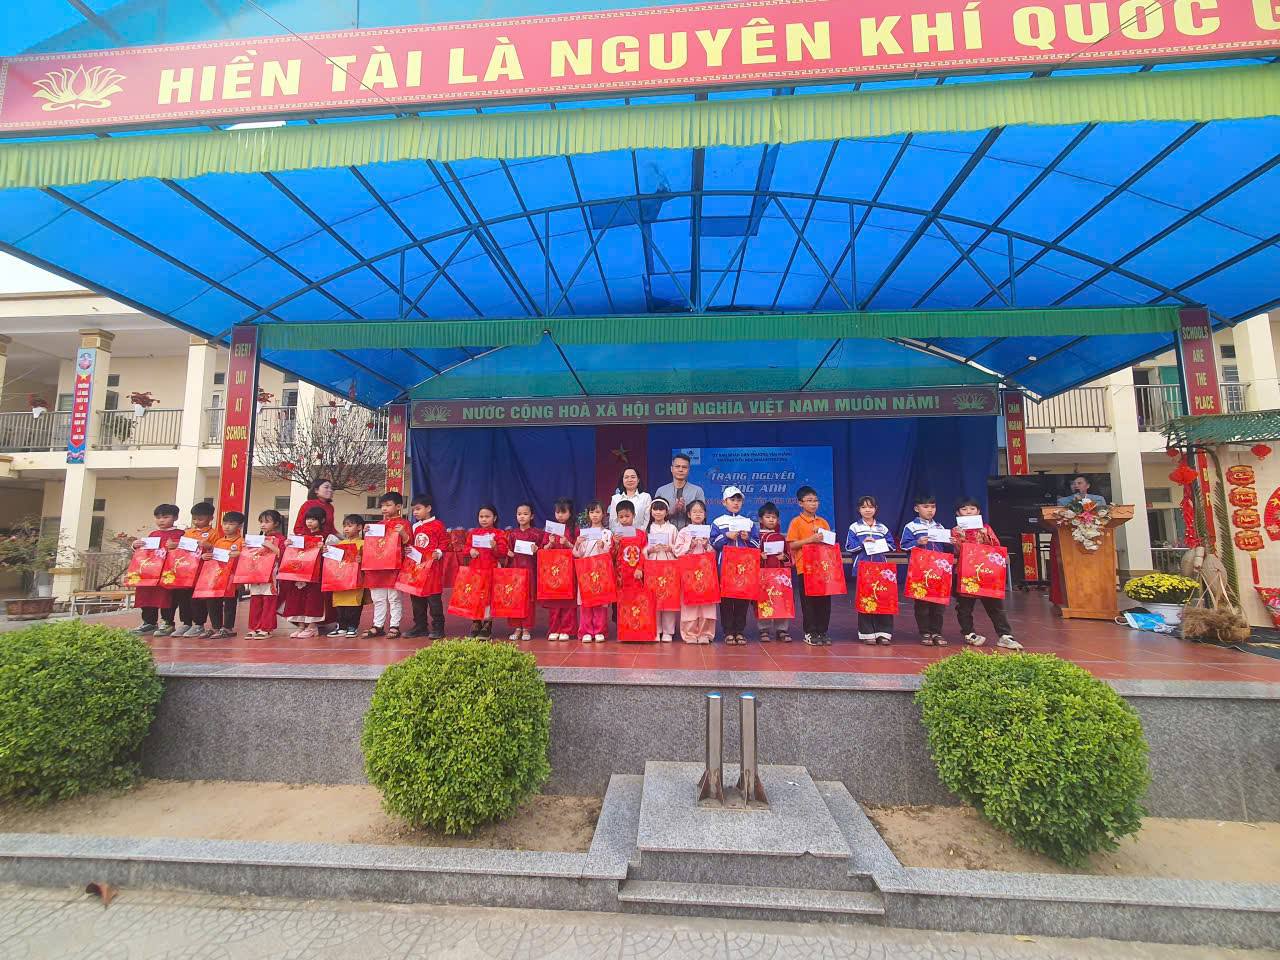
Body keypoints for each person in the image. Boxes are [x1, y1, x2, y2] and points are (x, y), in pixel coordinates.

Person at [952, 497, 1022, 650]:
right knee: (964, 606)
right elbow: (957, 551)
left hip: (986, 573)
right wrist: (960, 539)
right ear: (958, 513)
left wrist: (986, 536)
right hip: (966, 574)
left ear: (978, 511)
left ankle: (1005, 635)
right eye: (964, 509)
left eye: (972, 509)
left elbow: (996, 547)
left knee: (995, 605)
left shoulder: (985, 528)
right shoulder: (956, 530)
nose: (968, 512)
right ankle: (969, 633)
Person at [712, 485, 760, 645]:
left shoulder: (748, 522)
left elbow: (757, 544)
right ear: (724, 502)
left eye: (739, 500)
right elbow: (714, 543)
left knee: (742, 598)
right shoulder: (718, 522)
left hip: (744, 568)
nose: (736, 503)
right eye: (732, 499)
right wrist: (726, 536)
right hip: (725, 567)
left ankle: (739, 631)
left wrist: (747, 538)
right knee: (726, 599)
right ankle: (728, 631)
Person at [900, 494, 950, 647]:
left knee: (938, 604)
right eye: (926, 506)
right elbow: (903, 545)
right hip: (921, 570)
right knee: (922, 604)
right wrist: (917, 542)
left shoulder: (939, 527)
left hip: (938, 570)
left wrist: (952, 540)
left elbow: (946, 547)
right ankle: (925, 632)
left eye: (933, 507)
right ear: (917, 509)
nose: (930, 510)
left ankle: (937, 632)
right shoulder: (911, 526)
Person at [846, 496, 896, 645]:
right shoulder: (854, 527)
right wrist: (863, 543)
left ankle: (884, 633)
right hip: (863, 568)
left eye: (870, 507)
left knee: (883, 598)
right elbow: (849, 547)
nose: (867, 510)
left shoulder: (882, 528)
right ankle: (867, 633)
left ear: (876, 509)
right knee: (866, 599)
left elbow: (892, 546)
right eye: (864, 507)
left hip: (881, 569)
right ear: (859, 509)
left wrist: (879, 543)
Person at [786, 486, 833, 646]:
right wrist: (811, 539)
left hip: (823, 568)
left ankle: (822, 631)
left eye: (816, 500)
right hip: (805, 567)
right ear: (800, 503)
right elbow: (792, 545)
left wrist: (824, 537)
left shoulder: (823, 522)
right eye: (809, 500)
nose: (813, 504)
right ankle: (810, 632)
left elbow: (830, 543)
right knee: (809, 602)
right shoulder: (796, 522)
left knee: (824, 601)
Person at [363, 491, 410, 639]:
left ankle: (394, 626)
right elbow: (372, 545)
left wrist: (402, 533)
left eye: (388, 505)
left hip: (394, 567)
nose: (384, 508)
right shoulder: (378, 525)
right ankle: (378, 626)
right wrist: (366, 533)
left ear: (399, 507)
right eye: (382, 505)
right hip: (377, 567)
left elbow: (408, 543)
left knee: (394, 598)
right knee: (378, 598)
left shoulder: (404, 524)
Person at [131, 503, 182, 636]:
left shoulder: (180, 534)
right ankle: (149, 622)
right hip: (151, 572)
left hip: (168, 573)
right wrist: (135, 545)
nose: (161, 521)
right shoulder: (153, 534)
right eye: (158, 518)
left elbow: (187, 552)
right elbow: (145, 552)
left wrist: (177, 545)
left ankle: (168, 622)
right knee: (147, 594)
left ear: (175, 518)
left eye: (165, 517)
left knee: (167, 597)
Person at [672, 500, 716, 644]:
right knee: (689, 603)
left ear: (705, 514)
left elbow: (716, 551)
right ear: (689, 514)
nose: (698, 514)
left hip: (706, 572)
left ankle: (706, 633)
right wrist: (689, 545)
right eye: (694, 512)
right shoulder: (684, 532)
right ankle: (689, 634)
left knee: (707, 603)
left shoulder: (710, 531)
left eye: (701, 512)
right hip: (689, 572)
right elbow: (677, 551)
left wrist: (707, 545)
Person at [283, 507, 330, 638]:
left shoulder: (327, 537)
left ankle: (312, 627)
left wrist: (325, 549)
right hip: (299, 573)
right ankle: (301, 626)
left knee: (312, 599)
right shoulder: (299, 537)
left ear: (322, 520)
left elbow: (333, 555)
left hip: (316, 574)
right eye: (308, 519)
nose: (309, 522)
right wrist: (288, 545)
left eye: (313, 519)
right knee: (298, 599)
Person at [405, 494, 446, 639]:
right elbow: (413, 544)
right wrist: (409, 550)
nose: (415, 512)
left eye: (418, 509)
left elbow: (444, 543)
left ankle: (438, 628)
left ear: (428, 508)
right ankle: (420, 626)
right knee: (416, 600)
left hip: (432, 569)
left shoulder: (438, 525)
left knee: (434, 600)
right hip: (417, 569)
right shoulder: (415, 527)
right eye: (413, 510)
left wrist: (438, 552)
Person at [573, 500, 614, 643]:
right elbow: (578, 554)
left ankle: (599, 630)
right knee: (586, 602)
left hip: (601, 571)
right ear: (588, 515)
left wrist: (603, 546)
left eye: (597, 512)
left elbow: (610, 553)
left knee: (600, 601)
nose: (595, 515)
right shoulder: (584, 533)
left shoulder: (607, 533)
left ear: (603, 514)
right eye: (592, 512)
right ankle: (586, 631)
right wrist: (577, 543)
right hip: (586, 571)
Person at [175, 501, 217, 638]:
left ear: (210, 518)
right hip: (186, 571)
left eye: (201, 519)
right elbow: (182, 550)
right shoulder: (188, 533)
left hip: (202, 572)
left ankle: (198, 624)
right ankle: (186, 623)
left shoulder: (214, 534)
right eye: (194, 519)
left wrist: (209, 546)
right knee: (183, 597)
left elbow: (218, 550)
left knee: (198, 599)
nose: (197, 522)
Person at [466, 504, 508, 639]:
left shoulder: (499, 534)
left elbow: (503, 553)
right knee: (475, 596)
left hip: (491, 570)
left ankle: (487, 624)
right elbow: (465, 548)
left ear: (494, 518)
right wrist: (470, 551)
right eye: (481, 516)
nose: (484, 519)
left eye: (487, 516)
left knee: (488, 597)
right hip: (476, 571)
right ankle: (476, 622)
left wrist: (495, 547)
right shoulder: (473, 533)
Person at [506, 502, 545, 641]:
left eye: (525, 514)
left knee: (528, 600)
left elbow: (543, 553)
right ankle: (517, 628)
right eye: (519, 514)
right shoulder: (512, 534)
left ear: (532, 516)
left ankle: (527, 628)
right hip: (515, 571)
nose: (522, 517)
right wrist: (508, 553)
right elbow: (508, 551)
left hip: (530, 571)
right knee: (515, 599)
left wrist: (538, 551)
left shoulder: (537, 534)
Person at [245, 509, 286, 639]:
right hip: (256, 574)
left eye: (267, 522)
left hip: (272, 576)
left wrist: (271, 546)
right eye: (261, 522)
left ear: (276, 523)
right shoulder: (257, 539)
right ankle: (254, 627)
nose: (263, 524)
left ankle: (266, 628)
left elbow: (284, 556)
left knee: (269, 602)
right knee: (255, 601)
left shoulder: (281, 539)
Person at [542, 497, 578, 642]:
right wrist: (550, 544)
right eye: (558, 512)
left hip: (568, 570)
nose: (560, 515)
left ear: (570, 513)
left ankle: (567, 629)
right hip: (554, 570)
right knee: (554, 601)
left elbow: (579, 550)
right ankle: (554, 628)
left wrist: (568, 543)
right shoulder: (550, 529)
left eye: (563, 512)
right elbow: (543, 549)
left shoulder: (574, 529)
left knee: (568, 601)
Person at [205, 511, 246, 639]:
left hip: (232, 578)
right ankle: (216, 627)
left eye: (231, 524)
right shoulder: (218, 541)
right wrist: (206, 556)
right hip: (218, 577)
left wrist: (240, 554)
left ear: (239, 526)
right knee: (213, 601)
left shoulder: (242, 542)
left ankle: (228, 627)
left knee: (230, 603)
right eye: (225, 523)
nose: (227, 526)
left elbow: (247, 558)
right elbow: (214, 558)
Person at [757, 501, 793, 644]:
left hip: (780, 576)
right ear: (761, 520)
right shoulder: (757, 537)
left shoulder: (781, 537)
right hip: (764, 574)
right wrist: (760, 556)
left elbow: (789, 556)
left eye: (774, 517)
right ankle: (764, 629)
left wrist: (784, 557)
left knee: (781, 600)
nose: (771, 520)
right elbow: (751, 556)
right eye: (768, 517)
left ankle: (782, 629)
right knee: (764, 600)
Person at [644, 497, 679, 642]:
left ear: (666, 512)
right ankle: (655, 630)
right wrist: (650, 550)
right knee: (654, 598)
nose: (658, 512)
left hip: (668, 566)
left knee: (669, 598)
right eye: (655, 509)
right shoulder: (647, 528)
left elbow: (679, 547)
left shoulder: (672, 529)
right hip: (652, 566)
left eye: (661, 509)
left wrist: (670, 548)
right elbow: (642, 549)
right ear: (651, 511)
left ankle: (668, 631)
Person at [330, 514, 367, 638]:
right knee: (340, 603)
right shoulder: (341, 544)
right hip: (340, 579)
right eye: (345, 526)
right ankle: (341, 627)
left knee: (354, 603)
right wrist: (326, 551)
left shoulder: (364, 543)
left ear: (359, 527)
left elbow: (370, 560)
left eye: (350, 526)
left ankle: (352, 626)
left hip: (356, 579)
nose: (346, 529)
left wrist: (362, 560)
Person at [653, 453, 706, 530]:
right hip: (666, 532)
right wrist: (672, 511)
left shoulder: (697, 491)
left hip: (691, 533)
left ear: (688, 470)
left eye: (684, 467)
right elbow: (654, 515)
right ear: (671, 469)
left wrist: (686, 510)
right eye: (677, 466)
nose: (680, 470)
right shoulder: (661, 491)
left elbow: (702, 516)